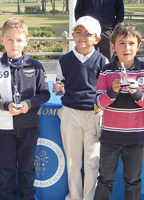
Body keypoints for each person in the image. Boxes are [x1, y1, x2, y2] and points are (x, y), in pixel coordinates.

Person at [0, 17, 50, 200]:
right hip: (4, 129)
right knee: (6, 171)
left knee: (27, 170)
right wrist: (5, 105)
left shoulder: (35, 65)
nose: (15, 44)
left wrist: (28, 104)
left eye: (19, 40)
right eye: (10, 39)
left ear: (26, 41)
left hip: (29, 127)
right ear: (1, 39)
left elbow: (45, 94)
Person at [93, 22, 144, 200]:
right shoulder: (106, 71)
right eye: (121, 43)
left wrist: (136, 92)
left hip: (135, 137)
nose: (126, 48)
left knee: (133, 181)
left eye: (131, 43)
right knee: (105, 179)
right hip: (110, 137)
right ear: (112, 46)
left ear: (139, 45)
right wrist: (112, 91)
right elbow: (98, 103)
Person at [52, 16, 108, 200]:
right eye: (78, 32)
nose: (82, 37)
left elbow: (105, 92)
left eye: (87, 33)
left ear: (97, 39)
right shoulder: (65, 60)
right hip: (70, 113)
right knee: (72, 161)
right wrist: (58, 87)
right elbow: (61, 84)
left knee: (92, 162)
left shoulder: (103, 61)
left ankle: (89, 197)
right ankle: (75, 197)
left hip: (94, 114)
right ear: (73, 35)